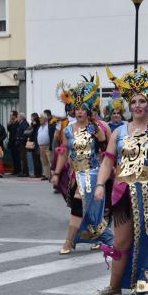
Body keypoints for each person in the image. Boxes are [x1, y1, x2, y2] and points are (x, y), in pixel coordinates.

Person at [91, 66, 148, 295]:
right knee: (120, 241)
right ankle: (115, 286)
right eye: (134, 101)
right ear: (129, 105)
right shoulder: (118, 132)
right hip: (123, 192)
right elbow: (108, 162)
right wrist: (100, 185)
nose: (138, 105)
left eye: (143, 101)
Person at [51, 74, 113, 255]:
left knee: (83, 205)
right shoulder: (68, 129)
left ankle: (70, 241)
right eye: (76, 108)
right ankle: (97, 237)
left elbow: (104, 149)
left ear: (88, 110)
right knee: (85, 209)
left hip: (93, 173)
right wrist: (56, 173)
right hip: (75, 174)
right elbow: (64, 151)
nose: (79, 112)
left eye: (83, 108)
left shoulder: (95, 128)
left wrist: (98, 131)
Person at [36, 113, 52, 180]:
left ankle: (51, 175)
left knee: (50, 161)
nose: (40, 119)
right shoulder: (39, 127)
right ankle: (46, 175)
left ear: (45, 119)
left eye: (41, 118)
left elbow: (51, 136)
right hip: (41, 146)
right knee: (44, 162)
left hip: (47, 146)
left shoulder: (49, 126)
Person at [7, 111, 20, 175]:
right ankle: (15, 170)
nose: (10, 116)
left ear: (14, 116)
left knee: (17, 157)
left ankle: (18, 170)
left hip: (15, 142)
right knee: (13, 157)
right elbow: (9, 130)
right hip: (11, 142)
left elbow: (16, 132)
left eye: (11, 115)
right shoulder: (12, 122)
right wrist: (9, 124)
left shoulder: (17, 122)